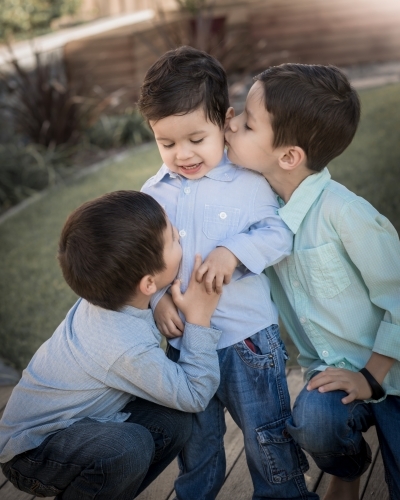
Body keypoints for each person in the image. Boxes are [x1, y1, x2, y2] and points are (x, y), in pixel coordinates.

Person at [139, 46, 318, 500]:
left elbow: (278, 233)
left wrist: (233, 252)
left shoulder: (249, 182)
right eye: (167, 143)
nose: (182, 154)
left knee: (266, 435)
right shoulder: (152, 194)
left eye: (196, 139)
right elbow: (144, 263)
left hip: (247, 342)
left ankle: (284, 495)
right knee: (196, 444)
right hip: (184, 344)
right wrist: (158, 302)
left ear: (224, 121)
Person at [225, 63, 400, 500]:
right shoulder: (262, 210)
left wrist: (372, 378)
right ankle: (348, 467)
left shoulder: (345, 214)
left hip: (392, 374)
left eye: (246, 123)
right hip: (331, 373)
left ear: (288, 156)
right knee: (314, 424)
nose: (231, 123)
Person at [0, 190, 223, 500]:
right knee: (127, 449)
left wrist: (157, 300)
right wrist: (199, 320)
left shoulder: (104, 295)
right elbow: (196, 394)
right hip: (34, 454)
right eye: (173, 237)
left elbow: (143, 292)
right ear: (146, 282)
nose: (180, 237)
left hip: (78, 427)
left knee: (174, 419)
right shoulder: (122, 346)